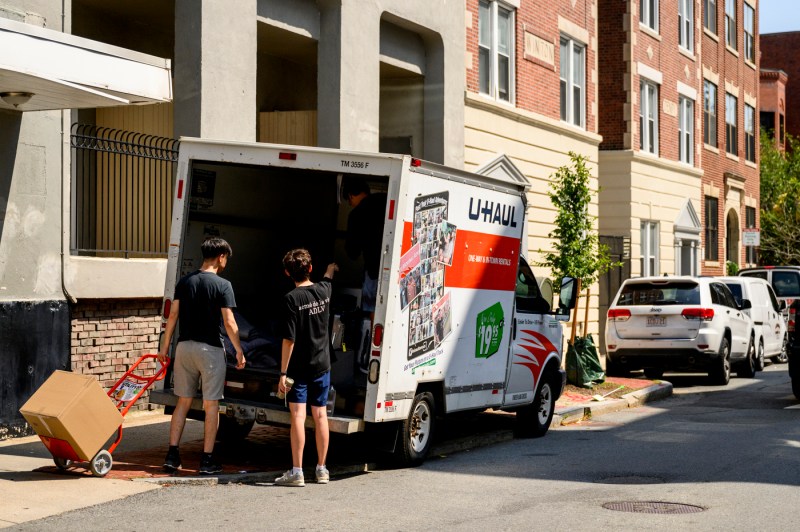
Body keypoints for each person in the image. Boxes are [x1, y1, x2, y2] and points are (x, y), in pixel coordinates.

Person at [157, 237, 245, 475]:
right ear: (221, 257)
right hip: (210, 350)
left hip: (184, 348)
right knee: (211, 405)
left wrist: (164, 350)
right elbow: (229, 321)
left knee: (182, 402)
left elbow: (172, 316)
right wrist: (237, 348)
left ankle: (172, 455)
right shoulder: (223, 285)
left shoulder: (185, 282)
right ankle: (207, 460)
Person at [274, 249, 338, 487]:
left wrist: (283, 372)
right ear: (310, 268)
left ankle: (297, 471)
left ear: (287, 273)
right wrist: (332, 268)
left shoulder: (291, 299)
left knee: (298, 417)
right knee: (320, 415)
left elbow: (288, 339)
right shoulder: (324, 290)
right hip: (323, 365)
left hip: (299, 369)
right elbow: (329, 277)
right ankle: (322, 469)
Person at [343, 177, 387, 371]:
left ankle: (370, 358)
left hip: (374, 270)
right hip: (399, 269)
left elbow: (352, 251)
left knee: (372, 312)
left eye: (349, 200)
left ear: (352, 195)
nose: (350, 203)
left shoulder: (357, 214)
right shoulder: (387, 200)